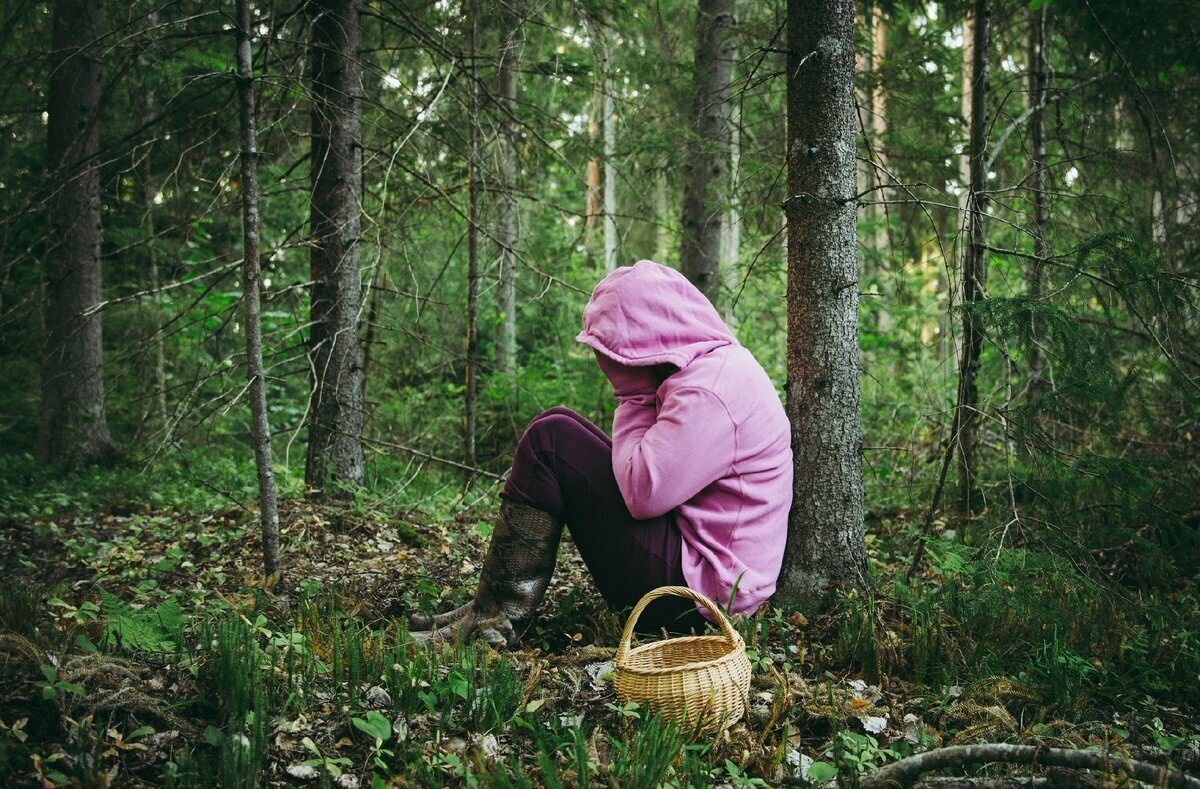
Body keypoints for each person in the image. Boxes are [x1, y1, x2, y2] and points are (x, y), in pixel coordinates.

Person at [409, 260, 793, 647]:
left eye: (611, 349)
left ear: (647, 339)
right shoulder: (711, 370)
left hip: (699, 600)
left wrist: (633, 398)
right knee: (557, 426)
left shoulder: (710, 393)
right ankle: (489, 606)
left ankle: (495, 615)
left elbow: (643, 495)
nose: (603, 360)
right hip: (707, 573)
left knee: (552, 439)